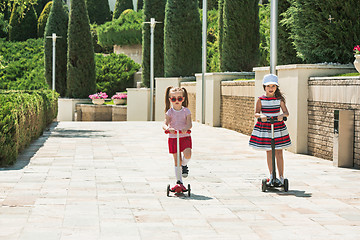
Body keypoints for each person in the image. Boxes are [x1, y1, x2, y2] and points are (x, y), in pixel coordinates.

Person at [249, 74, 291, 184]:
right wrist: (261, 116)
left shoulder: (279, 100)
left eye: (273, 86)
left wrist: (282, 115)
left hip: (278, 127)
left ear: (276, 87)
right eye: (268, 86)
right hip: (267, 127)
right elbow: (256, 113)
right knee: (269, 151)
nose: (271, 88)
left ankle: (281, 176)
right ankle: (272, 175)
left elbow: (286, 112)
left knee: (279, 152)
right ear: (264, 87)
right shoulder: (261, 100)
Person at [163, 86, 192, 190]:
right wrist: (167, 128)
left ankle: (184, 165)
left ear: (183, 99)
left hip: (185, 137)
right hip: (173, 137)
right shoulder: (169, 112)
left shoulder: (186, 111)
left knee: (188, 155)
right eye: (173, 99)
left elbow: (189, 124)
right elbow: (165, 124)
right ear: (170, 99)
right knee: (176, 160)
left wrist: (186, 128)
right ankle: (179, 181)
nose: (176, 101)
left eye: (179, 98)